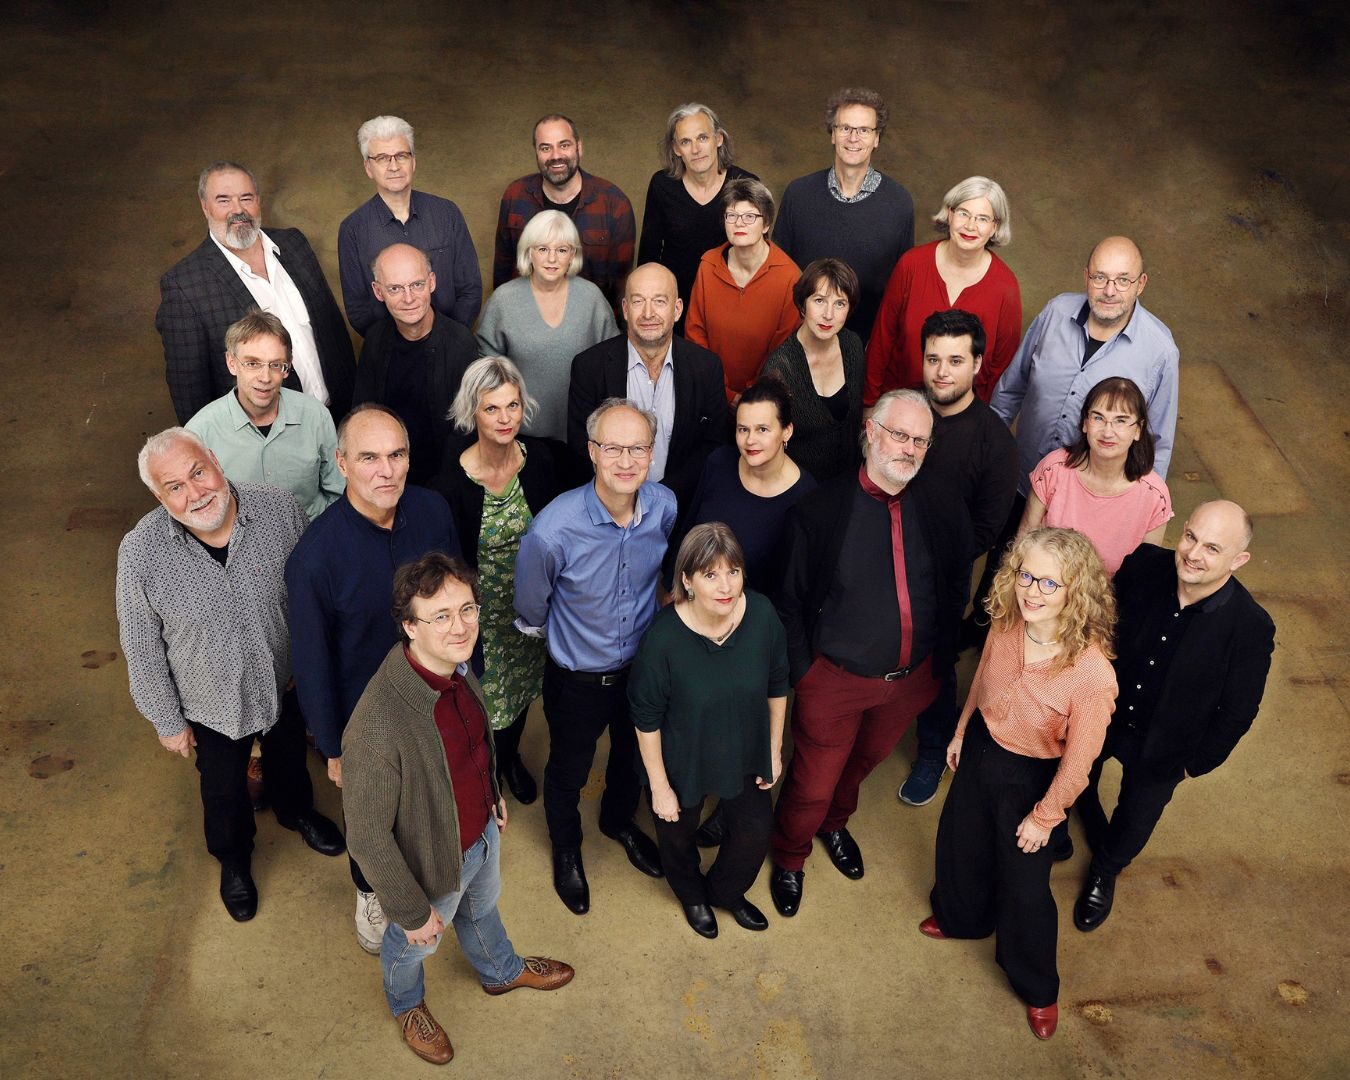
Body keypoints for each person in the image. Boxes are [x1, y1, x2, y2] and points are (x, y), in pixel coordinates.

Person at [343, 553, 573, 1067]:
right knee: (414, 945)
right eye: (441, 616)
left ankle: (500, 971)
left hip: (479, 831)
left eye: (467, 609)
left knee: (482, 908)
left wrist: (492, 795)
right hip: (432, 859)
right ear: (410, 627)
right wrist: (410, 911)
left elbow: (473, 744)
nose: (461, 626)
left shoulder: (456, 668)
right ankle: (407, 1004)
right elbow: (367, 837)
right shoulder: (378, 723)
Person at [116, 429, 345, 922]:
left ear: (215, 461)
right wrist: (167, 720)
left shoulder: (278, 510)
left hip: (285, 683)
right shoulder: (140, 552)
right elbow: (141, 646)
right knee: (222, 793)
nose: (195, 492)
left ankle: (296, 813)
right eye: (174, 487)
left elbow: (314, 594)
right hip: (209, 704)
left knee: (290, 761)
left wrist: (318, 672)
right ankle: (234, 858)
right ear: (159, 498)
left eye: (198, 472)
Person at [768, 390, 975, 918]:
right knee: (813, 782)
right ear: (870, 431)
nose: (909, 449)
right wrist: (806, 676)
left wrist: (940, 657)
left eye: (920, 440)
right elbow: (788, 603)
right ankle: (790, 855)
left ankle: (834, 826)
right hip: (833, 682)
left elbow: (956, 581)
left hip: (911, 681)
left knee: (862, 764)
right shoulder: (819, 512)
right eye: (899, 434)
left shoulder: (941, 503)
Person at [920, 527, 1117, 1040]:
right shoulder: (1008, 622)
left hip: (1034, 777)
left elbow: (1080, 762)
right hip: (982, 748)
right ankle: (962, 918)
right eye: (1027, 576)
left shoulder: (1092, 674)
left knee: (1026, 889)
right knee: (961, 845)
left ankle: (1037, 987)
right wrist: (962, 731)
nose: (1032, 591)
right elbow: (982, 678)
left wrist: (1045, 817)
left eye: (1050, 583)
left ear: (1077, 591)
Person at [286, 404, 460, 953]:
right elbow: (311, 662)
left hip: (434, 693)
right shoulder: (314, 556)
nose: (386, 471)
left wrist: (466, 681)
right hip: (366, 720)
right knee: (373, 820)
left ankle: (429, 876)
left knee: (433, 798)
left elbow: (459, 600)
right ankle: (370, 892)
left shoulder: (432, 510)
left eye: (396, 455)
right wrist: (333, 745)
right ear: (341, 463)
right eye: (369, 458)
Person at [1073, 501, 1274, 933]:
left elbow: (1238, 711)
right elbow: (1099, 629)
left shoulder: (1251, 627)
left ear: (1238, 561)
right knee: (1076, 772)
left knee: (1135, 818)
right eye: (1191, 537)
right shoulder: (1144, 565)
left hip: (1165, 746)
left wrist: (1193, 764)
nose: (1194, 554)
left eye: (1213, 549)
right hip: (1104, 713)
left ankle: (1104, 871)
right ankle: (1079, 811)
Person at [514, 400, 678, 915]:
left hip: (642, 671)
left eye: (638, 449)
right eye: (613, 448)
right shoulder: (552, 530)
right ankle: (567, 848)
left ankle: (616, 822)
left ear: (651, 453)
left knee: (631, 757)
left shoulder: (664, 507)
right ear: (591, 451)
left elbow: (661, 573)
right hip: (578, 680)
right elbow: (530, 607)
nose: (626, 461)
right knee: (569, 769)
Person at [630, 524, 788, 938]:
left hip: (744, 747)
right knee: (677, 836)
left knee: (754, 831)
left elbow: (777, 685)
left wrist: (773, 749)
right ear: (687, 580)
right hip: (681, 757)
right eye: (711, 574)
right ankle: (692, 895)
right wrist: (660, 786)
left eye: (733, 571)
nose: (726, 586)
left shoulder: (761, 615)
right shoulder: (663, 639)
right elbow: (646, 719)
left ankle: (724, 892)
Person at [897, 309, 1019, 807]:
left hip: (943, 576)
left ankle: (932, 750)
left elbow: (988, 529)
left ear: (977, 364)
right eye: (933, 359)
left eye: (954, 360)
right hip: (879, 556)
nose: (941, 371)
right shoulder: (902, 413)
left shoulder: (994, 442)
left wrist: (925, 555)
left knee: (936, 664)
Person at [429, 357, 561, 806]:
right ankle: (484, 771)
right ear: (473, 412)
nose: (505, 418)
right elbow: (447, 567)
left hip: (530, 611)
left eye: (512, 406)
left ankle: (508, 760)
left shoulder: (541, 460)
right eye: (491, 408)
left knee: (520, 697)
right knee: (484, 705)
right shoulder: (450, 483)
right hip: (481, 618)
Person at [157, 161, 355, 424]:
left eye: (246, 198)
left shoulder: (294, 244)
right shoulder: (184, 285)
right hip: (266, 437)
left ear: (258, 200)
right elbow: (191, 398)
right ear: (205, 207)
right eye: (224, 200)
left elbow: (334, 332)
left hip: (339, 416)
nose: (238, 210)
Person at [568, 263, 730, 509]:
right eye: (638, 301)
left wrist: (662, 498)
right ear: (625, 309)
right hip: (609, 509)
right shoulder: (589, 367)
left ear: (677, 309)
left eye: (659, 301)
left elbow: (714, 446)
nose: (648, 313)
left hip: (680, 509)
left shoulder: (706, 367)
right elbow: (581, 447)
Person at [774, 88, 914, 342]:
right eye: (845, 128)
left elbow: (902, 288)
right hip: (802, 341)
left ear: (876, 138)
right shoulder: (799, 194)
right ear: (833, 134)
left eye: (864, 130)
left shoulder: (899, 202)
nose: (853, 138)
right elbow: (778, 273)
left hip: (868, 343)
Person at [866, 176, 1022, 405]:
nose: (970, 226)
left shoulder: (1006, 287)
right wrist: (869, 403)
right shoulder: (912, 264)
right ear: (949, 214)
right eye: (963, 213)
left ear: (994, 227)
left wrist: (979, 419)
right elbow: (882, 337)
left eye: (982, 218)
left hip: (963, 414)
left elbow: (1001, 367)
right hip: (899, 403)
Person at [475, 210, 617, 450]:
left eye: (561, 250)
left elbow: (612, 361)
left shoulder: (591, 297)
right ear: (529, 252)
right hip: (520, 433)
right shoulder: (503, 300)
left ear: (572, 255)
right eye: (542, 249)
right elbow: (485, 369)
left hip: (582, 433)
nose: (552, 259)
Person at [185, 311, 344, 522]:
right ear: (231, 363)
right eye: (252, 363)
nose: (265, 377)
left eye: (276, 365)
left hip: (313, 534)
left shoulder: (315, 415)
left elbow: (339, 492)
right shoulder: (199, 432)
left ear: (287, 368)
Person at [670, 378, 817, 601]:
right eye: (743, 429)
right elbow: (688, 532)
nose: (750, 440)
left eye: (762, 429)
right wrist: (673, 590)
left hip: (752, 615)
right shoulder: (719, 462)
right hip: (694, 602)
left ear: (786, 431)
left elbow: (792, 588)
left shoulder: (805, 496)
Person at [337, 115, 481, 335]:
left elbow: (470, 289)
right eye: (383, 158)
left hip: (452, 342)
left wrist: (449, 339)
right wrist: (395, 345)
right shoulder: (352, 230)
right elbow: (358, 310)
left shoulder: (447, 213)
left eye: (401, 155)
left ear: (413, 161)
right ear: (368, 167)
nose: (394, 166)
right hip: (389, 351)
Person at [1019, 377, 1172, 576]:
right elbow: (1023, 546)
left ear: (1138, 430)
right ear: (1085, 423)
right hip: (1044, 586)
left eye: (1121, 421)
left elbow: (1143, 577)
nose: (1107, 432)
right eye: (1098, 418)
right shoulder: (1053, 469)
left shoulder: (1155, 496)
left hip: (1113, 594)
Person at [354, 243, 477, 485]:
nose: (408, 298)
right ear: (378, 292)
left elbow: (467, 429)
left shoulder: (461, 344)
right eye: (395, 288)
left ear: (432, 282)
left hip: (446, 477)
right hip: (387, 473)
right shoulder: (375, 339)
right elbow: (363, 413)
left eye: (417, 285)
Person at [493, 113, 635, 314]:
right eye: (545, 148)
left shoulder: (614, 204)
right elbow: (502, 273)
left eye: (564, 145)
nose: (555, 156)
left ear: (579, 147)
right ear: (536, 152)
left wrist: (608, 332)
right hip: (524, 319)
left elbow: (621, 288)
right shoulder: (515, 196)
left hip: (590, 323)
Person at [637, 103, 758, 329]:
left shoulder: (745, 185)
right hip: (675, 306)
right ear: (676, 148)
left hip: (730, 304)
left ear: (718, 139)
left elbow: (758, 256)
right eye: (685, 141)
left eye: (702, 138)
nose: (695, 149)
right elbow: (648, 254)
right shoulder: (662, 185)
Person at [685, 178, 800, 403]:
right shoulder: (708, 265)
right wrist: (725, 393)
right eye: (732, 216)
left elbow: (782, 352)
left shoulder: (790, 277)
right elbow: (695, 335)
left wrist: (750, 396)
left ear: (766, 224)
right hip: (709, 389)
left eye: (749, 216)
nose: (739, 223)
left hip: (764, 398)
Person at [762, 258, 866, 483]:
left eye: (840, 303)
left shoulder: (853, 345)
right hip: (801, 486)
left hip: (850, 481)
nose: (828, 314)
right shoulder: (779, 369)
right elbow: (770, 443)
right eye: (819, 300)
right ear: (802, 305)